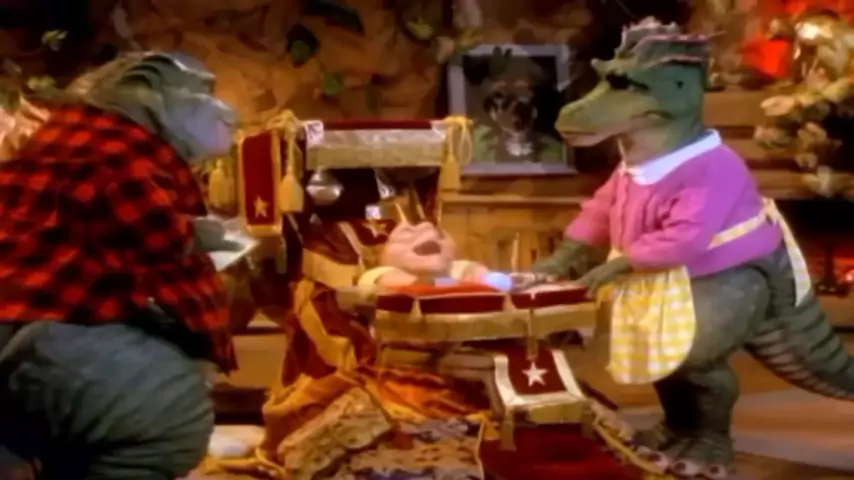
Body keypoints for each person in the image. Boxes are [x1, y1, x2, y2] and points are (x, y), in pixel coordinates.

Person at [0, 51, 241, 480]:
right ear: (150, 94)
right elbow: (159, 235)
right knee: (166, 417)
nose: (223, 108)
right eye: (203, 92)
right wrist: (216, 237)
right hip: (51, 333)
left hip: (23, 320)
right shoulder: (118, 152)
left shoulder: (63, 139)